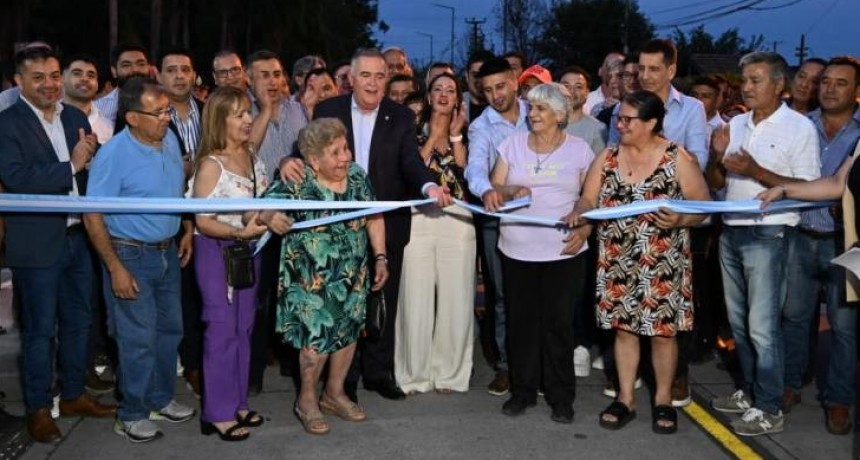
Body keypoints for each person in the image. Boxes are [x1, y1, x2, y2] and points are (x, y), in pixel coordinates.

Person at [279, 48, 452, 403]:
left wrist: (429, 185)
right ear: (351, 79)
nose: (373, 83)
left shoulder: (401, 116)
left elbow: (410, 162)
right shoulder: (328, 110)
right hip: (334, 228)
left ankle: (378, 372)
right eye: (366, 76)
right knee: (344, 302)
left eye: (379, 76)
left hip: (386, 225)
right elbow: (308, 151)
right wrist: (286, 160)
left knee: (382, 298)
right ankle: (345, 381)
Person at [566, 90, 710, 434]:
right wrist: (580, 214)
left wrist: (680, 221)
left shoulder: (677, 158)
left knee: (662, 335)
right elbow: (588, 196)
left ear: (652, 123)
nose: (621, 124)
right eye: (620, 117)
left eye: (629, 119)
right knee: (624, 331)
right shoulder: (609, 156)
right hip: (617, 258)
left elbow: (703, 205)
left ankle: (662, 399)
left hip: (662, 261)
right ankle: (625, 398)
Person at [0, 46, 116, 445]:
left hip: (78, 238)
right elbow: (17, 178)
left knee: (79, 321)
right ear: (19, 82)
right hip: (37, 244)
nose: (49, 84)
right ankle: (37, 408)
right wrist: (72, 166)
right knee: (38, 331)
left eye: (53, 75)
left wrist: (95, 163)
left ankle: (72, 395)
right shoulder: (6, 124)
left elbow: (89, 174)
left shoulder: (73, 117)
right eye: (39, 77)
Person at [708, 52, 821, 437]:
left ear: (779, 85)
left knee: (763, 325)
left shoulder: (799, 127)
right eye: (745, 80)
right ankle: (752, 390)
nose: (747, 87)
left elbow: (807, 189)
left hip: (768, 233)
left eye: (756, 80)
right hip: (732, 228)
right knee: (739, 323)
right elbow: (718, 180)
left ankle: (769, 406)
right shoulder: (735, 122)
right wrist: (716, 154)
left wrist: (755, 170)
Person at [84, 77, 196, 443]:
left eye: (168, 111)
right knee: (137, 338)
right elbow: (92, 215)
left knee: (169, 331)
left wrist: (187, 229)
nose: (167, 118)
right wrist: (115, 267)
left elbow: (176, 191)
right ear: (132, 117)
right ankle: (131, 413)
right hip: (130, 254)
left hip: (167, 252)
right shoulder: (113, 154)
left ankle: (159, 399)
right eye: (158, 112)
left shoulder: (169, 141)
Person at [261, 117, 388, 435]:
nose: (346, 156)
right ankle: (306, 400)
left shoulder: (357, 176)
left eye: (346, 148)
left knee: (347, 336)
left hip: (352, 275)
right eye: (336, 152)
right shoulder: (297, 180)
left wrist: (381, 256)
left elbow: (374, 216)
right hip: (310, 282)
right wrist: (269, 216)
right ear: (313, 160)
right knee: (314, 344)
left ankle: (334, 394)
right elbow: (259, 209)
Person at [759, 55, 860, 436]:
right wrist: (783, 187)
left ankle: (838, 399)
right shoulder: (801, 126)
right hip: (801, 237)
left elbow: (840, 187)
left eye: (841, 83)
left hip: (847, 244)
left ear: (856, 91)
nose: (830, 88)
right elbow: (829, 184)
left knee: (845, 328)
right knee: (795, 318)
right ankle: (790, 384)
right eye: (826, 82)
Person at [489, 82, 594, 423]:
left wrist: (586, 225)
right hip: (517, 250)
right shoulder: (512, 145)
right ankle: (523, 391)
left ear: (560, 115)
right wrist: (508, 189)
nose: (532, 115)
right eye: (531, 108)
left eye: (541, 109)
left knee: (558, 325)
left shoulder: (580, 150)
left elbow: (592, 197)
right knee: (521, 325)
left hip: (563, 252)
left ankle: (561, 396)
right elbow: (494, 187)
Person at [189, 87, 283, 441]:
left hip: (248, 252)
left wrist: (261, 220)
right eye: (240, 114)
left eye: (249, 112)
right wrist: (242, 232)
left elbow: (254, 204)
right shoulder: (211, 165)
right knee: (220, 331)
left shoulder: (252, 156)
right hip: (217, 253)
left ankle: (238, 402)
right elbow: (202, 221)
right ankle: (217, 412)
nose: (248, 120)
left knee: (244, 328)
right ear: (219, 119)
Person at [394, 73, 475, 395]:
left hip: (458, 219)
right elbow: (412, 170)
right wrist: (433, 135)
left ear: (459, 98)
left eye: (450, 90)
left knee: (457, 298)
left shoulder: (470, 132)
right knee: (414, 297)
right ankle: (413, 374)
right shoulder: (410, 130)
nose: (443, 95)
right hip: (418, 217)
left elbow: (468, 178)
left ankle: (451, 374)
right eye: (437, 89)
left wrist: (454, 137)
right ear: (427, 96)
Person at [465, 57, 529, 397]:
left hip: (540, 219)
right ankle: (507, 367)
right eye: (487, 90)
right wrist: (487, 189)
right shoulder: (481, 127)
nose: (495, 95)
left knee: (538, 296)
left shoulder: (539, 113)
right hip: (497, 220)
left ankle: (538, 365)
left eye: (500, 86)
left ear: (516, 81)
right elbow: (474, 168)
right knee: (504, 297)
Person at [94, 43, 151, 126]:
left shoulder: (166, 107)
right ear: (114, 71)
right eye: (126, 65)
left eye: (141, 64)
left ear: (149, 68)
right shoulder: (97, 109)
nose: (135, 70)